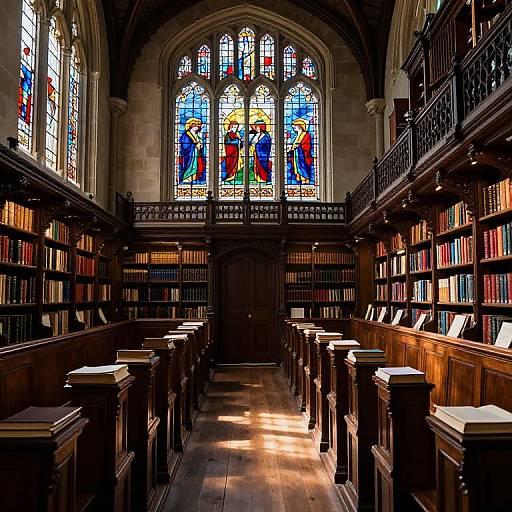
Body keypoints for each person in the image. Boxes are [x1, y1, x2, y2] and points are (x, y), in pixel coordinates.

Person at [179, 118, 206, 183]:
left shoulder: (196, 134)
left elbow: (198, 141)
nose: (196, 127)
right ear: (191, 126)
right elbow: (185, 146)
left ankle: (194, 178)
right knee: (190, 167)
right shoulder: (186, 135)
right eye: (195, 125)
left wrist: (200, 145)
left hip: (196, 155)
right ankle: (187, 178)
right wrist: (195, 146)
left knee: (196, 167)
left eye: (197, 126)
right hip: (189, 155)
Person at [287, 118, 313, 184]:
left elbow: (306, 146)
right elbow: (295, 145)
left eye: (295, 126)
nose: (294, 128)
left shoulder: (306, 135)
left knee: (302, 167)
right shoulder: (297, 136)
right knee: (297, 167)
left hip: (303, 156)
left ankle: (305, 179)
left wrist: (297, 147)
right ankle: (300, 178)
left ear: (300, 126)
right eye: (293, 127)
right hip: (297, 155)